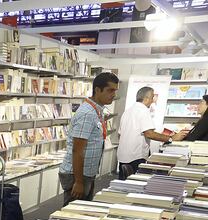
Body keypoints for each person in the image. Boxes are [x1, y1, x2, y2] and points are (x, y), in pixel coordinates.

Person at [59, 72, 120, 205]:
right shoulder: (87, 113)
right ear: (98, 90)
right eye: (110, 90)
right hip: (77, 175)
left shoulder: (96, 110)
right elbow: (77, 150)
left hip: (85, 172)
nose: (114, 94)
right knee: (72, 214)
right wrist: (79, 182)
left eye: (115, 90)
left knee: (83, 210)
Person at [117, 86, 187, 179]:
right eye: (152, 97)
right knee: (136, 184)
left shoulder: (127, 111)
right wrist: (171, 138)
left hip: (123, 156)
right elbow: (149, 133)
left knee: (123, 185)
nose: (153, 100)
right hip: (136, 157)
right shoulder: (143, 110)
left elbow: (120, 134)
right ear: (146, 98)